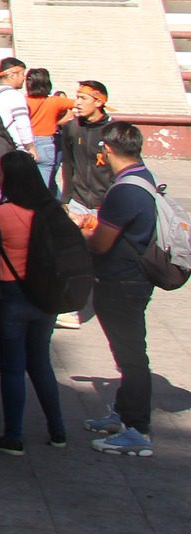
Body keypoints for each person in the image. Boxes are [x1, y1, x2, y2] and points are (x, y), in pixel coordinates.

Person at [85, 121, 161, 456]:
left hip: (122, 281)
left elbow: (101, 243)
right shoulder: (143, 178)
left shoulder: (126, 190)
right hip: (130, 279)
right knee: (125, 352)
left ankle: (137, 429)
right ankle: (122, 413)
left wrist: (79, 232)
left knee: (131, 356)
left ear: (108, 149)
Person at [0, 149, 70, 455]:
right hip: (45, 296)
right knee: (41, 363)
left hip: (10, 296)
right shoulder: (51, 210)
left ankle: (13, 435)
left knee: (11, 368)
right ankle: (58, 428)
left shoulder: (0, 215)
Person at [57, 80, 114, 209]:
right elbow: (67, 164)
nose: (77, 103)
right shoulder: (72, 128)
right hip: (78, 202)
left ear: (99, 102)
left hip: (106, 204)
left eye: (83, 98)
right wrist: (66, 198)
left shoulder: (114, 131)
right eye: (77, 98)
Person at [24, 67, 73, 189]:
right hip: (46, 143)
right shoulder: (55, 101)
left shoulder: (23, 100)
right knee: (44, 187)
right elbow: (78, 105)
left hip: (26, 142)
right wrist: (56, 120)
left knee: (24, 185)